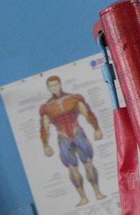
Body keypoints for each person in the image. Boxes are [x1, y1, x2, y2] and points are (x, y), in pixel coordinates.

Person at [38, 75, 106, 206]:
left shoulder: (73, 98)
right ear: (48, 88)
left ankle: (97, 192)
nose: (54, 87)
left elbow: (87, 113)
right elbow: (44, 127)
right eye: (51, 86)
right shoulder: (46, 107)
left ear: (60, 84)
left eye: (56, 84)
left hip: (78, 134)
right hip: (63, 137)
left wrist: (96, 129)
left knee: (88, 164)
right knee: (72, 169)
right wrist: (46, 145)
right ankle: (83, 198)